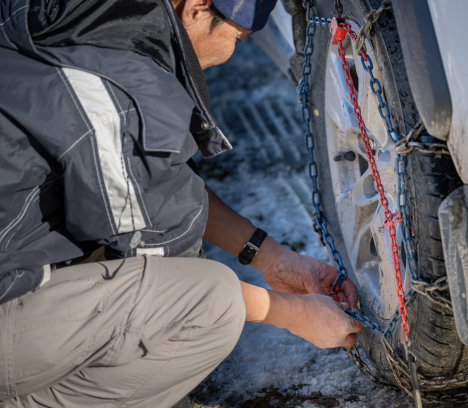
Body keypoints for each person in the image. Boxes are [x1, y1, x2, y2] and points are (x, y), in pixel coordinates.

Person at [0, 0, 362, 406]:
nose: (231, 54)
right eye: (236, 38)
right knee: (212, 301)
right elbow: (170, 276)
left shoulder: (80, 28)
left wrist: (271, 257)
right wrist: (294, 314)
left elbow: (156, 187)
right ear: (196, 8)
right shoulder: (124, 99)